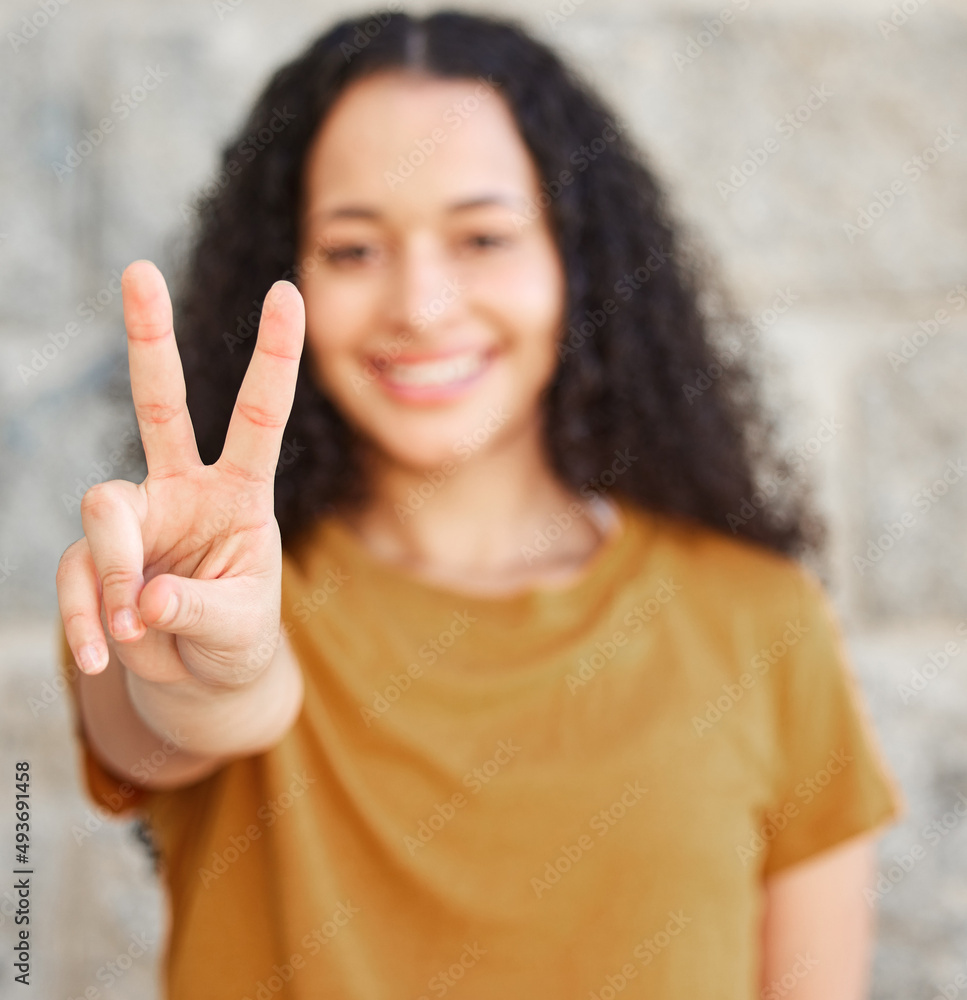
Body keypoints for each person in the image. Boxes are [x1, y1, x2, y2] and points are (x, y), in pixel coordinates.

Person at [55, 10, 905, 999]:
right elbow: (200, 703)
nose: (420, 302)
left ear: (573, 265)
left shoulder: (762, 622)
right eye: (353, 249)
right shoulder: (207, 600)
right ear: (282, 281)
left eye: (483, 237)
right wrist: (205, 660)